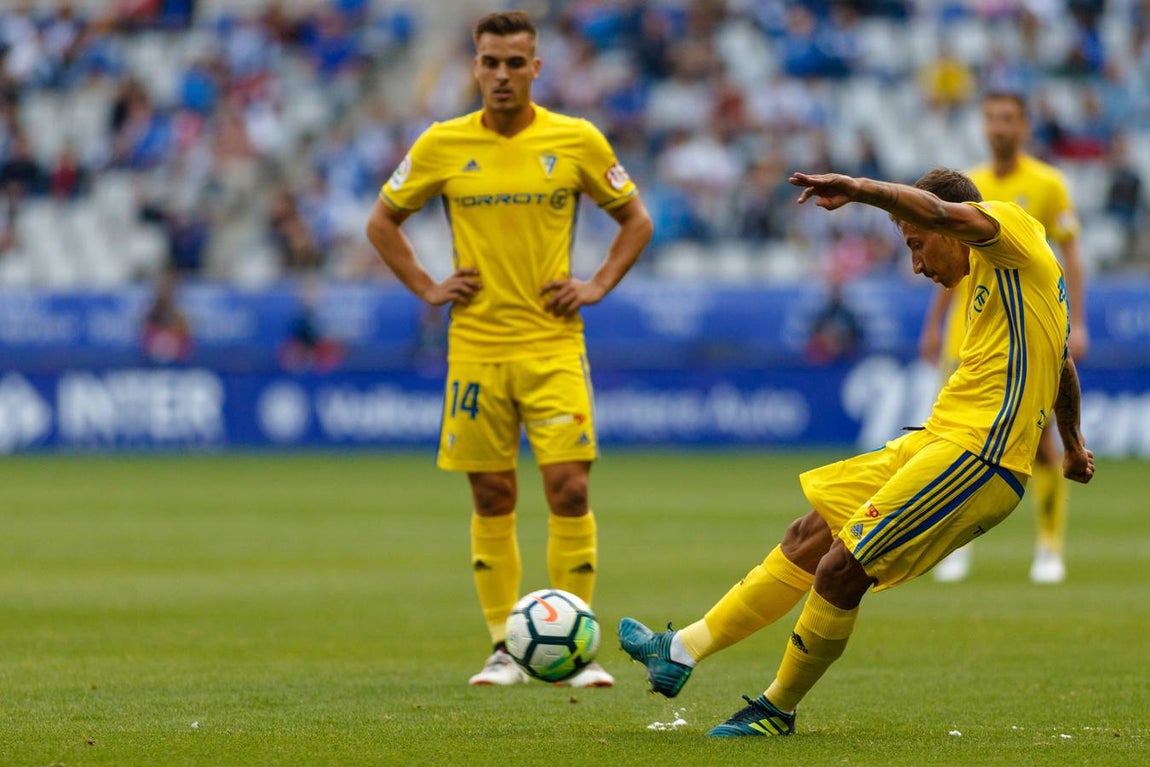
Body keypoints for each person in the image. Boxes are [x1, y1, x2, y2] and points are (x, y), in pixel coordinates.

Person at [619, 167, 1094, 737]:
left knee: (841, 569)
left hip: (979, 457)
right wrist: (1073, 444)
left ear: (945, 225)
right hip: (937, 439)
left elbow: (941, 213)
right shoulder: (1007, 279)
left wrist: (860, 189)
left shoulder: (1009, 228)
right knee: (808, 535)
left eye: (917, 245)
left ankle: (777, 709)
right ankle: (683, 649)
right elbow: (1062, 360)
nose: (917, 265)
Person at [365, 11, 653, 688]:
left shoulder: (575, 140)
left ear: (536, 68)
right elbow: (382, 222)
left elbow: (636, 219)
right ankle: (502, 646)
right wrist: (429, 286)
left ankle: (577, 643)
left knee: (569, 486)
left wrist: (598, 283)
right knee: (492, 493)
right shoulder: (442, 144)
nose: (501, 75)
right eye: (489, 62)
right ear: (474, 66)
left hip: (553, 342)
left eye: (514, 63)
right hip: (476, 346)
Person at [923, 91, 1087, 584]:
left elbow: (1069, 257)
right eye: (992, 117)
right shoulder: (972, 184)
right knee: (952, 445)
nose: (999, 127)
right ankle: (953, 546)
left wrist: (1076, 321)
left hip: (1017, 344)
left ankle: (1049, 544)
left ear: (1025, 125)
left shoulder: (1047, 184)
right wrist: (933, 324)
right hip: (964, 338)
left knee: (1038, 445)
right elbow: (948, 260)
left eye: (1008, 118)